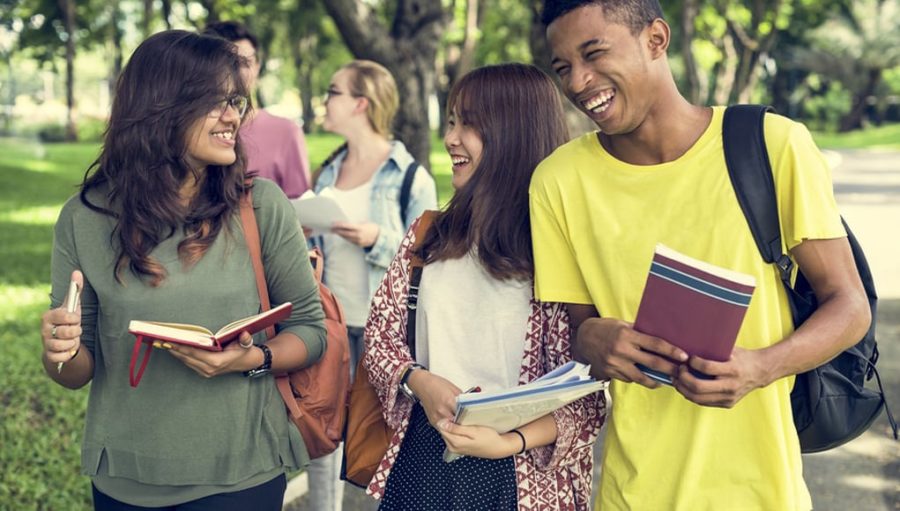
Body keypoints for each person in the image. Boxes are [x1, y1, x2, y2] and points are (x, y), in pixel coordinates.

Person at [530, 1, 872, 510]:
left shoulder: (774, 145)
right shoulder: (557, 182)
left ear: (656, 39)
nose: (578, 82)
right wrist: (591, 338)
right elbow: (579, 331)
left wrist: (761, 367)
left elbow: (850, 307)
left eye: (594, 54)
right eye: (563, 68)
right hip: (632, 493)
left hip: (764, 493)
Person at [39, 30, 327, 510]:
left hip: (242, 476)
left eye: (235, 101)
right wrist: (59, 351)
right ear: (161, 107)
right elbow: (76, 371)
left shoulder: (261, 207)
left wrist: (251, 358)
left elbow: (310, 330)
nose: (232, 115)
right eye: (215, 102)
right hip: (126, 479)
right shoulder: (83, 217)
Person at [363, 63, 605, 511]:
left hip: (524, 476)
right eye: (452, 121)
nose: (451, 138)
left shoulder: (560, 250)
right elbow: (380, 339)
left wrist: (509, 442)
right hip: (424, 462)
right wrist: (420, 380)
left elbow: (590, 395)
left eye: (469, 124)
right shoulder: (429, 235)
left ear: (514, 134)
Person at [305, 59, 438, 511]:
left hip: (386, 332)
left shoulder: (408, 176)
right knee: (323, 433)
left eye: (333, 91)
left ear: (360, 103)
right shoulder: (328, 170)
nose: (326, 100)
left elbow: (430, 256)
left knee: (384, 439)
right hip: (331, 325)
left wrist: (378, 239)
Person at [204, 21, 312, 199]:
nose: (238, 73)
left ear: (257, 66)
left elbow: (302, 209)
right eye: (229, 63)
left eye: (246, 63)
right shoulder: (191, 130)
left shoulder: (286, 131)